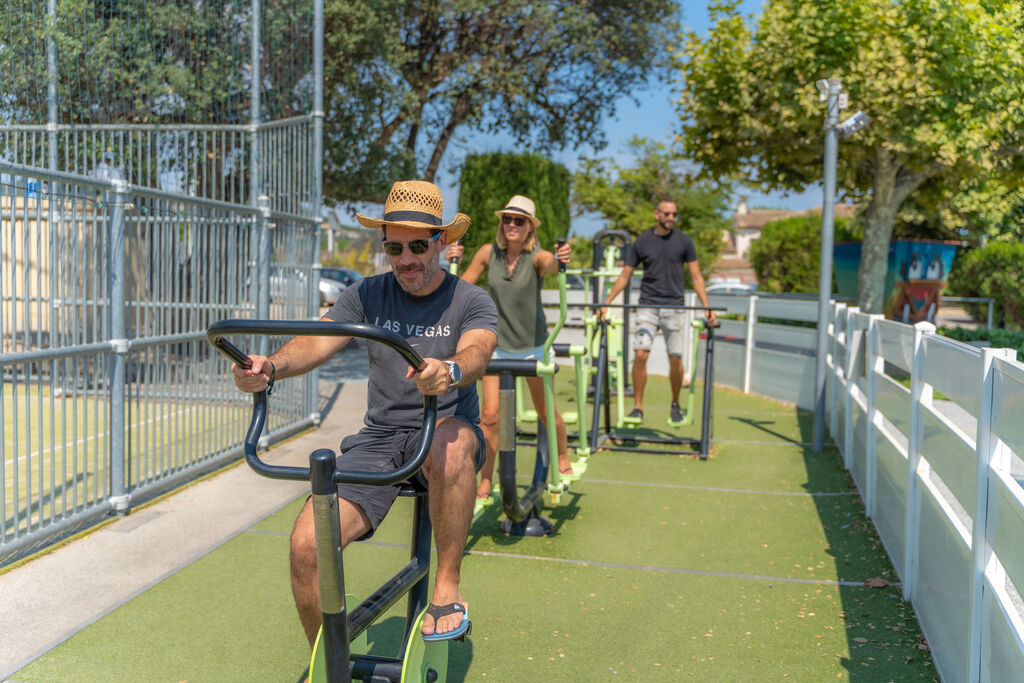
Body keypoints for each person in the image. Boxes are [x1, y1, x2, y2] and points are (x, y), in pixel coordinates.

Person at [231, 180, 497, 644]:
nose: (406, 258)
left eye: (418, 245)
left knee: (450, 442)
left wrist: (450, 370)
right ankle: (329, 660)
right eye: (394, 247)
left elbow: (478, 351)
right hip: (381, 439)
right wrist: (270, 366)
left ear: (443, 242)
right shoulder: (367, 294)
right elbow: (317, 339)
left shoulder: (470, 300)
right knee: (308, 545)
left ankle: (447, 587)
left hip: (444, 430)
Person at [446, 195, 573, 499]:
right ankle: (487, 478)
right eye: (507, 219)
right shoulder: (488, 254)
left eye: (520, 220)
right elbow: (460, 288)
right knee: (490, 416)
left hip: (532, 348)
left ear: (530, 227)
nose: (512, 224)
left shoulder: (538, 257)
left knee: (544, 411)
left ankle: (564, 455)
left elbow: (553, 265)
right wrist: (452, 261)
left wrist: (562, 258)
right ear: (501, 224)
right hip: (497, 348)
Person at [598, 199, 717, 424]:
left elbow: (696, 276)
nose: (671, 218)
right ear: (656, 215)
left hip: (675, 307)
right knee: (641, 354)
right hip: (648, 305)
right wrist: (607, 303)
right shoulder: (642, 242)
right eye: (667, 214)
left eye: (674, 214)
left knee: (675, 359)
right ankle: (638, 407)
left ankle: (675, 403)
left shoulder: (684, 241)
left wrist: (707, 307)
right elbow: (625, 275)